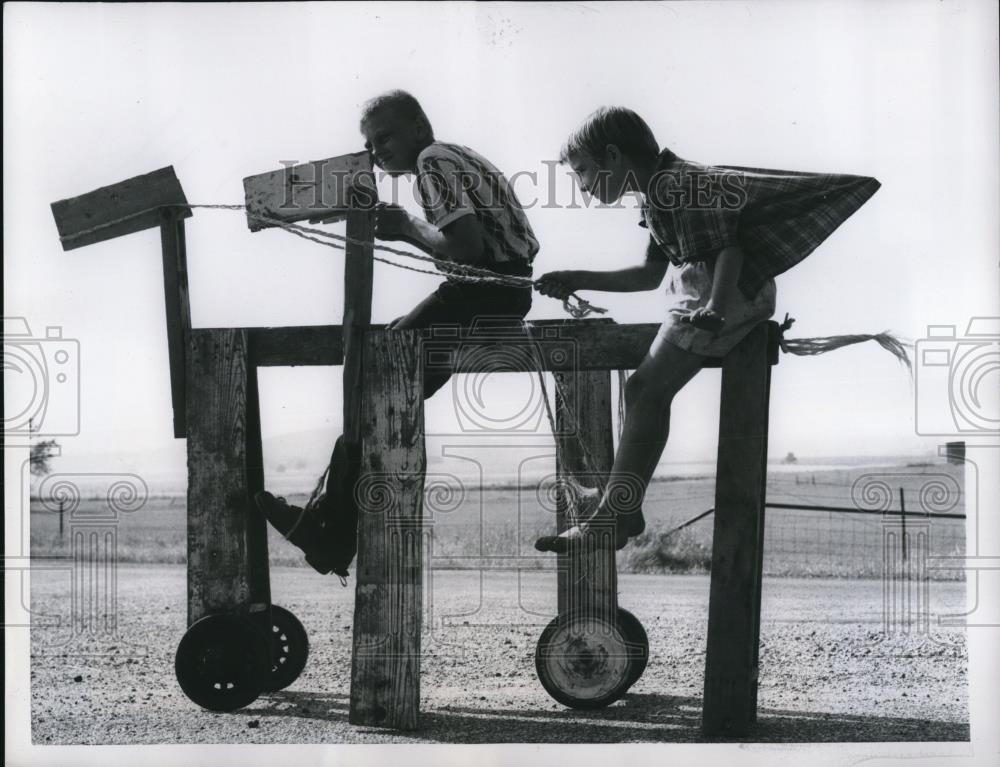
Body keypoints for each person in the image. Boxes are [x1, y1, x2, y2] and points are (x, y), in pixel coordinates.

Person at [534, 106, 880, 553]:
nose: (581, 185)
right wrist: (576, 277)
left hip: (726, 293)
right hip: (702, 292)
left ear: (613, 156)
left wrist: (715, 307)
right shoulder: (655, 191)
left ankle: (613, 517)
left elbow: (728, 250)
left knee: (646, 390)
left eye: (582, 171)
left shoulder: (677, 184)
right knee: (642, 392)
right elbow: (647, 274)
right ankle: (623, 507)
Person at [255, 90, 540, 574]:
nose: (377, 150)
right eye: (369, 143)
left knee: (377, 383)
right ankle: (330, 527)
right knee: (381, 385)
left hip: (484, 292)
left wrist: (407, 225)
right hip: (502, 291)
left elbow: (466, 250)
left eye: (385, 136)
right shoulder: (454, 155)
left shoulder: (432, 161)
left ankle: (331, 530)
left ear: (419, 126)